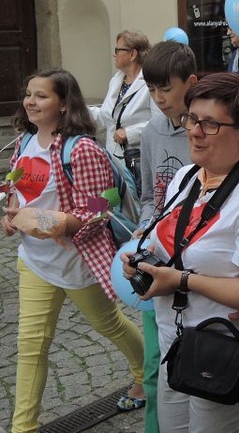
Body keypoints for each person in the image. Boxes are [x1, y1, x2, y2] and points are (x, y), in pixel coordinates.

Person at [123, 73, 239, 432]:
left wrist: (182, 279)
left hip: (227, 355)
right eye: (192, 118)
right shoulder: (188, 176)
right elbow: (175, 243)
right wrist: (144, 260)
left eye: (210, 124)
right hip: (179, 345)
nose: (194, 131)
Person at [3, 68, 145, 433]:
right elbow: (15, 186)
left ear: (64, 104)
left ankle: (146, 372)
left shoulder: (80, 149)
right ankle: (24, 427)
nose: (31, 101)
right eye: (29, 94)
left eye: (42, 96)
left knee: (108, 323)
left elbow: (104, 203)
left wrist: (59, 223)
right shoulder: (24, 142)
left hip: (77, 262)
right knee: (31, 343)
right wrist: (11, 211)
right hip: (34, 261)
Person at [137, 40, 199, 433]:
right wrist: (144, 227)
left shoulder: (210, 129)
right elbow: (148, 195)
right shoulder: (151, 132)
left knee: (195, 356)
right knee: (154, 362)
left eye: (167, 89)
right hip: (157, 253)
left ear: (190, 83)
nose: (159, 99)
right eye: (152, 89)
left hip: (196, 257)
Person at [89, 30, 152, 160]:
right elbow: (105, 117)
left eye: (118, 50)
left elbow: (161, 121)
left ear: (132, 54)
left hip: (139, 159)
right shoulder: (116, 80)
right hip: (115, 159)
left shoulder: (150, 82)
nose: (114, 54)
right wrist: (76, 108)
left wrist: (130, 133)